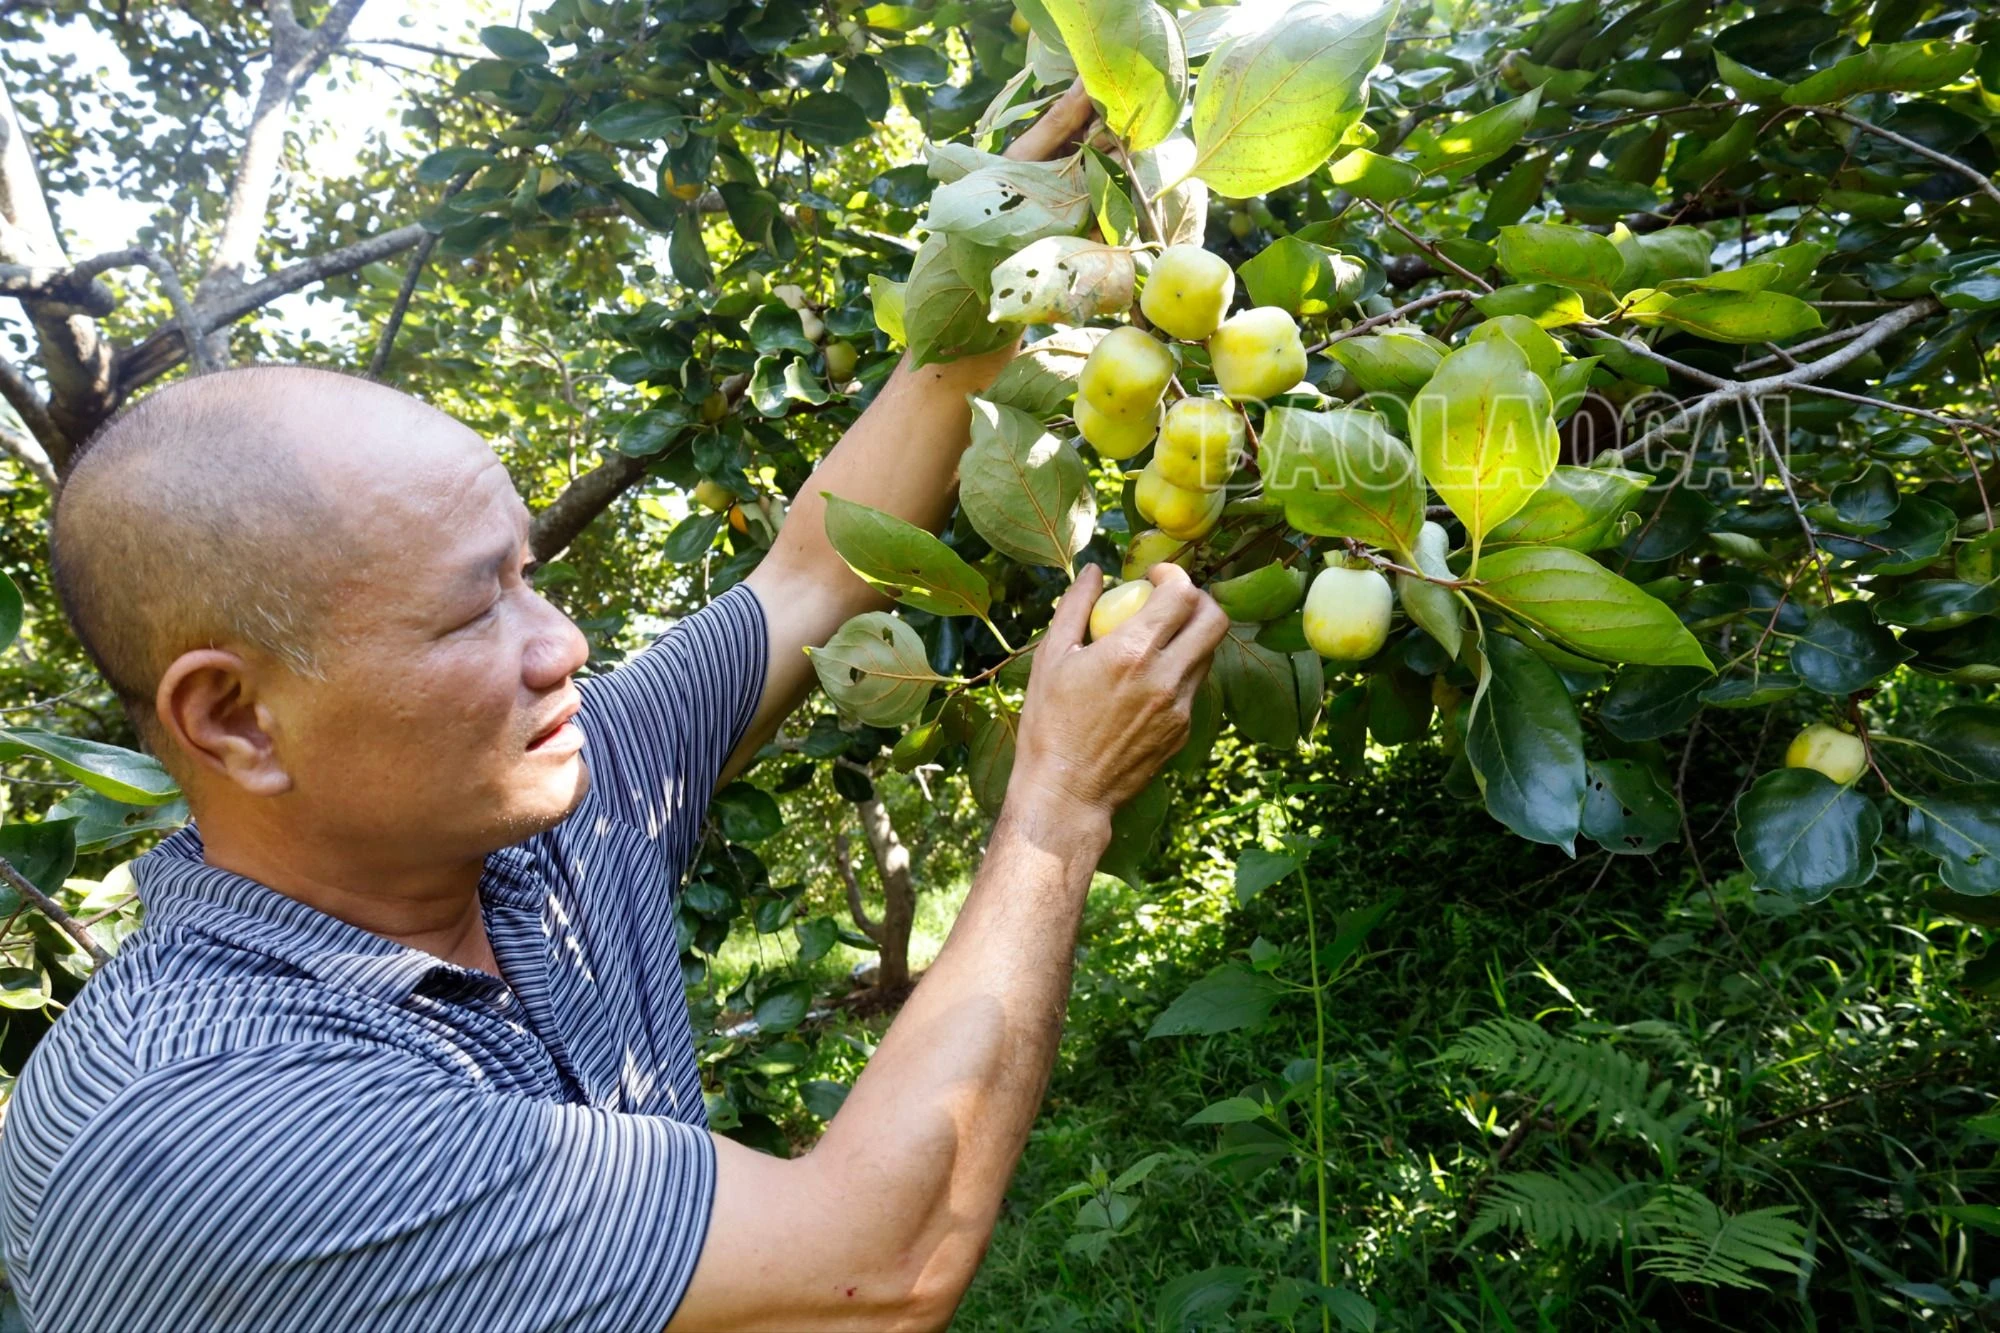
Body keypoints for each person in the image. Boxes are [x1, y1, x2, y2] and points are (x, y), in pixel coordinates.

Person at [0, 83, 1229, 1332]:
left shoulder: (532, 828)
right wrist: (1057, 805)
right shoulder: (209, 1127)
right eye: (474, 609)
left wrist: (997, 251)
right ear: (235, 719)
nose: (564, 644)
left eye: (527, 575)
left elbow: (806, 573)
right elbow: (873, 1271)